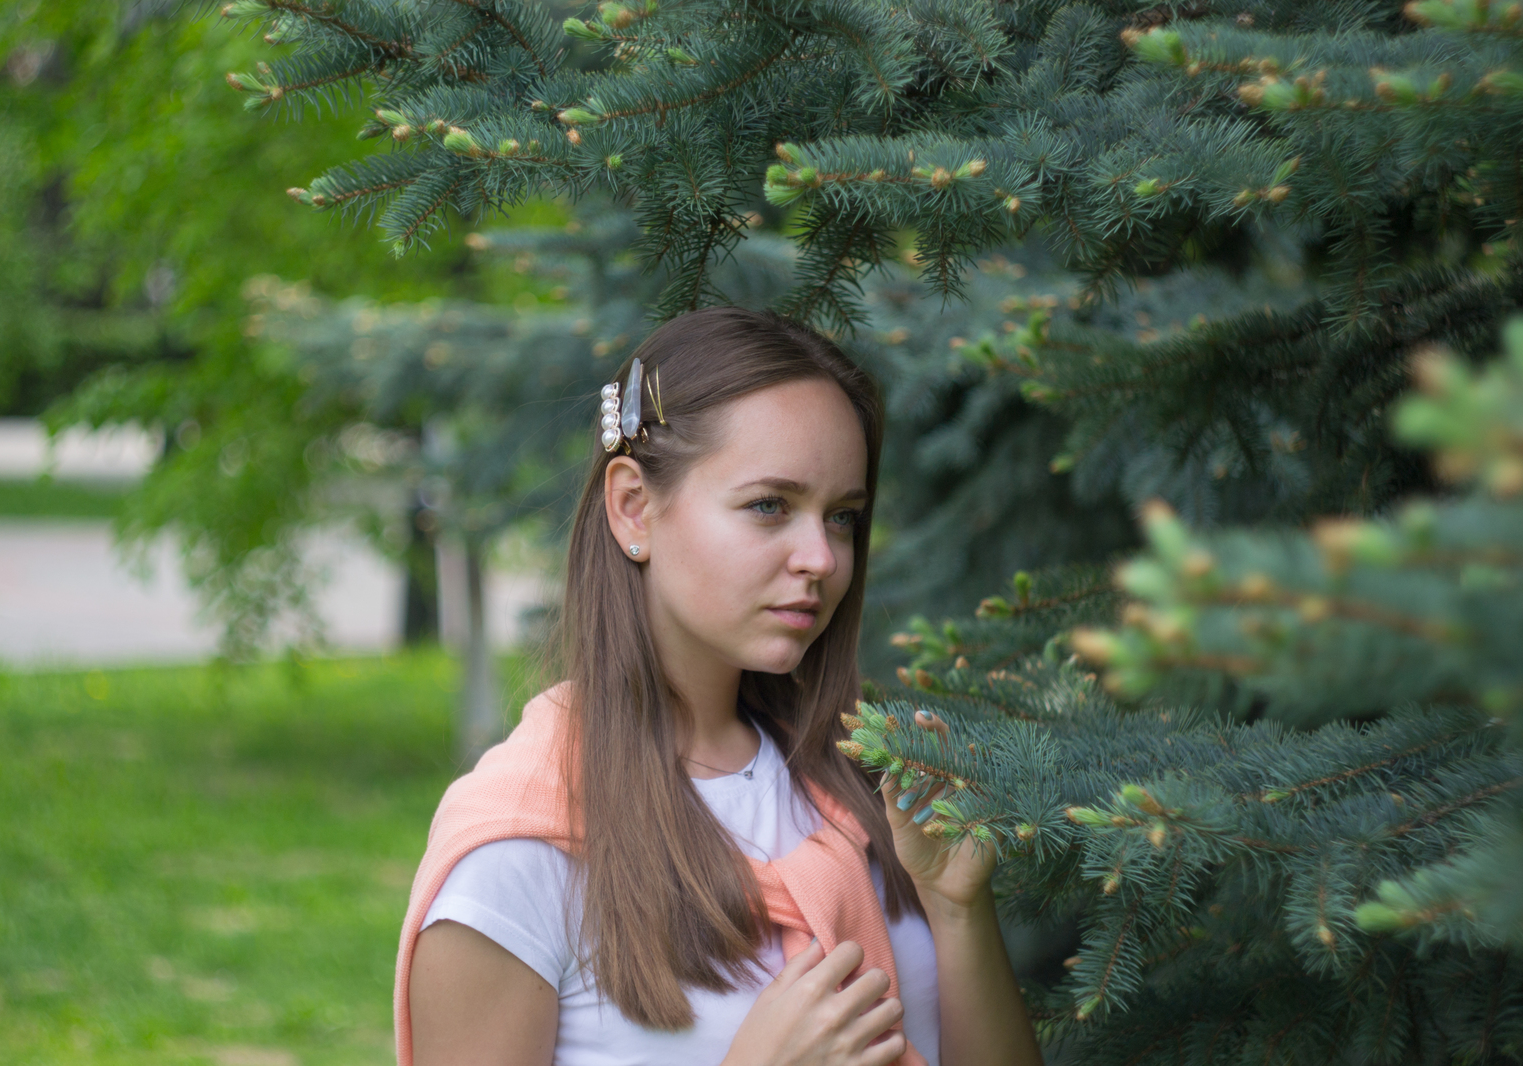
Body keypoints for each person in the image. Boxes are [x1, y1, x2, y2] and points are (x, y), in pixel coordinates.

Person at [397, 307, 1042, 1066]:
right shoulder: (517, 854)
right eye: (771, 505)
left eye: (843, 518)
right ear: (633, 506)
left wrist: (958, 909)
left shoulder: (869, 794)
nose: (823, 558)